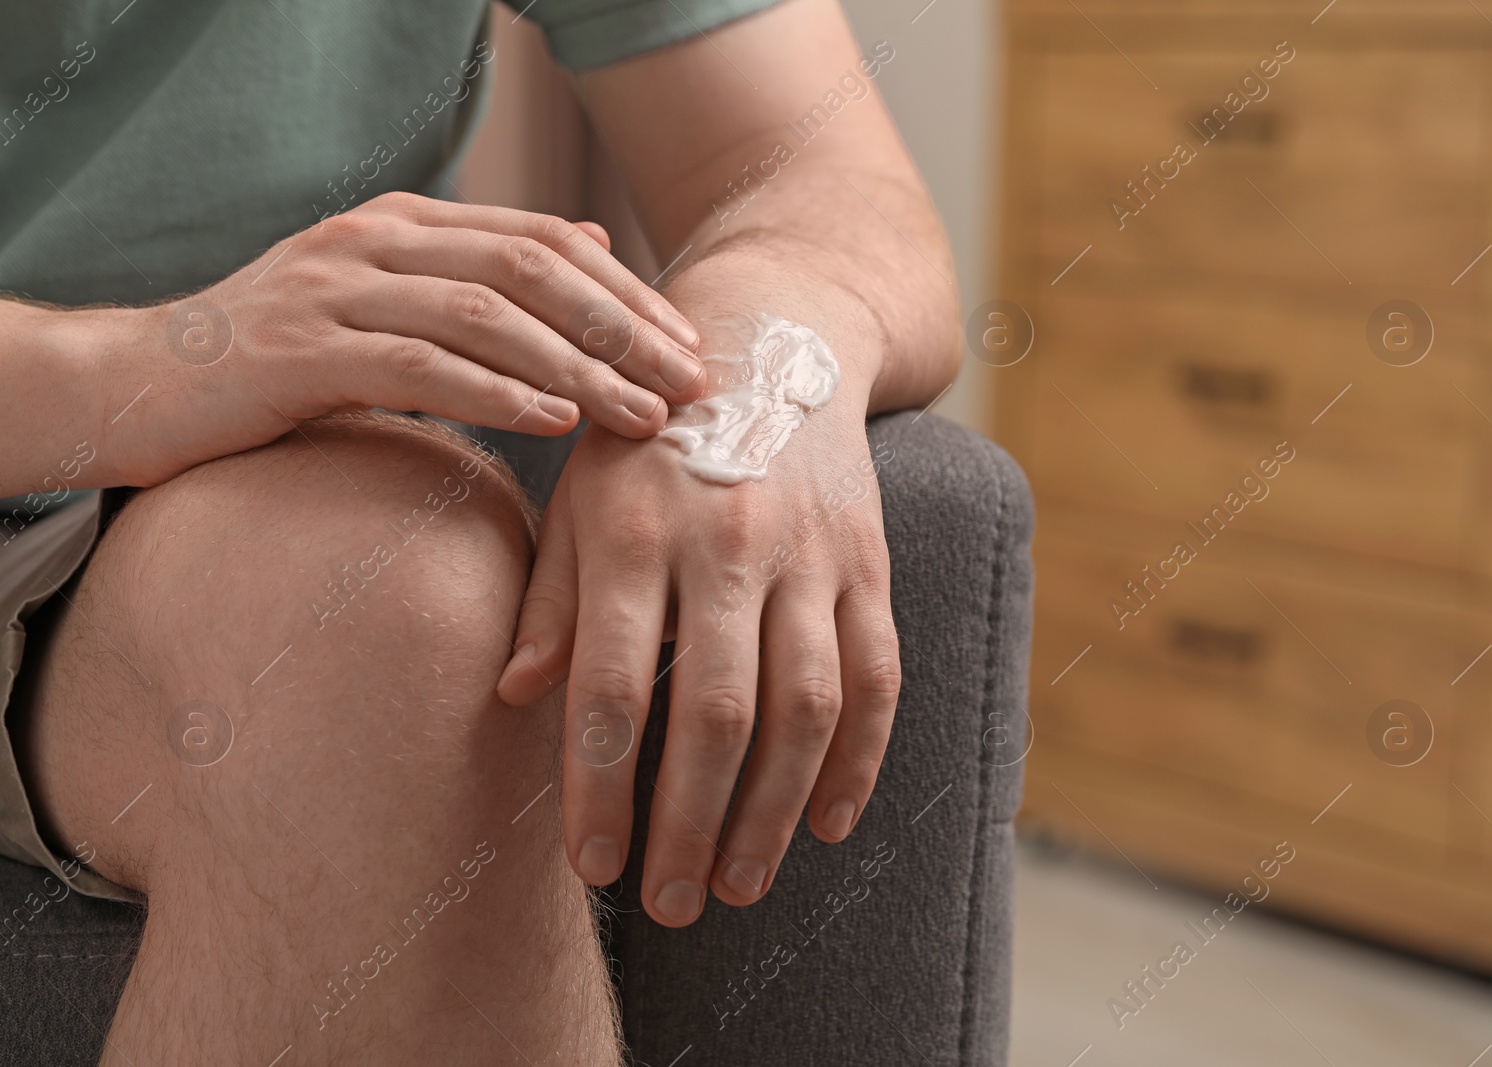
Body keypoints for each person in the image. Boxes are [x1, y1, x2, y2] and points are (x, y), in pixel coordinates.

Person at [0, 0, 957, 1061]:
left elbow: (815, 173)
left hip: (246, 510)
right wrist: (148, 369)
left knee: (387, 611)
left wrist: (753, 372)